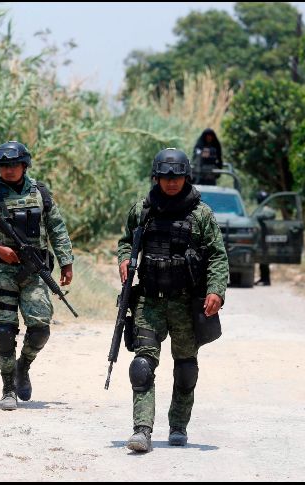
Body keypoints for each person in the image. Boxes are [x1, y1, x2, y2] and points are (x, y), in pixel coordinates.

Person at [117, 148, 228, 452]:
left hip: (185, 302)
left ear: (185, 177)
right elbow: (126, 241)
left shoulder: (201, 214)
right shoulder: (142, 210)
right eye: (165, 177)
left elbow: (218, 255)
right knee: (142, 365)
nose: (170, 182)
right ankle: (142, 430)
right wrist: (124, 259)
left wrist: (216, 290)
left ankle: (178, 425)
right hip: (149, 301)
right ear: (156, 177)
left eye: (176, 177)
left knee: (186, 368)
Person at [0, 141, 74, 411]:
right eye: (4, 166)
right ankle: (8, 388)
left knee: (40, 329)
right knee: (4, 330)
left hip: (34, 270)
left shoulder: (40, 193)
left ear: (24, 165)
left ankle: (23, 366)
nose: (9, 170)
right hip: (1, 270)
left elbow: (57, 227)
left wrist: (66, 262)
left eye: (14, 165)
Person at [254, 190, 273, 286]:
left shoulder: (267, 210)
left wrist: (257, 216)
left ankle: (266, 279)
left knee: (265, 260)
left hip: (266, 238)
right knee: (261, 259)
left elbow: (271, 214)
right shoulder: (260, 209)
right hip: (260, 239)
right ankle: (263, 278)